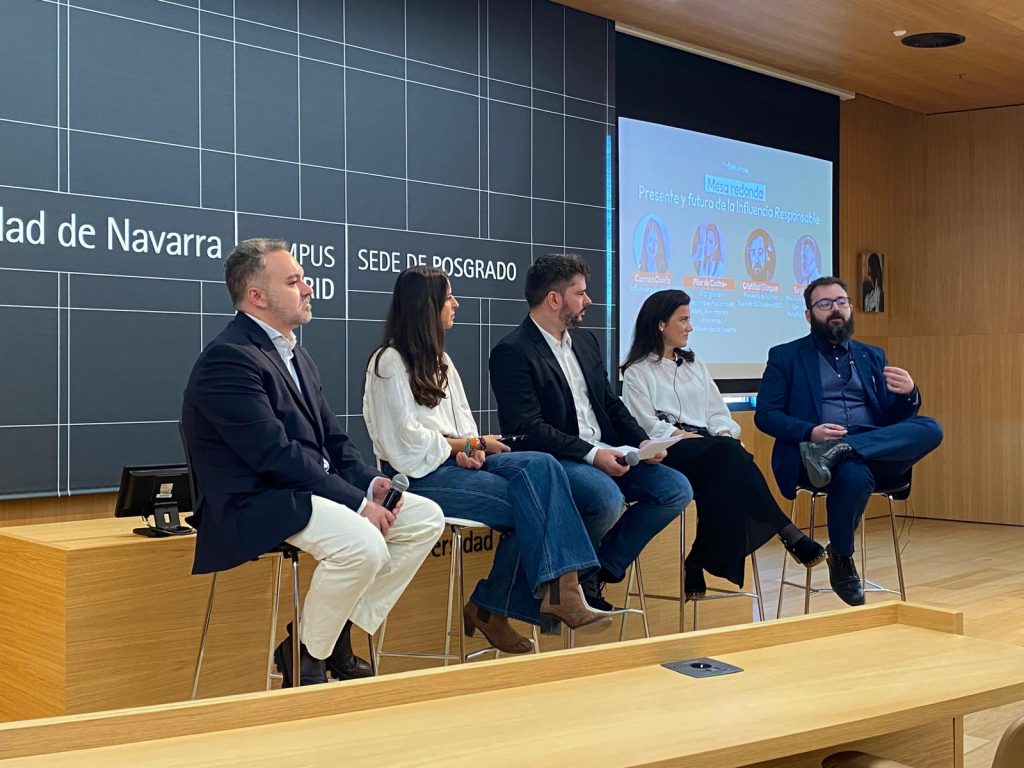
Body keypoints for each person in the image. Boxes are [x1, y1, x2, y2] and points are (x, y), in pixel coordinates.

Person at [181, 238, 444, 686]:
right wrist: (358, 504)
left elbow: (334, 442)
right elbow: (275, 455)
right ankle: (306, 662)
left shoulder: (296, 353)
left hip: (299, 489)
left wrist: (371, 484)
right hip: (255, 500)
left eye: (303, 278)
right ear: (256, 296)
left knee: (424, 518)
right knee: (364, 544)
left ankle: (323, 636)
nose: (308, 288)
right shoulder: (229, 358)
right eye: (294, 281)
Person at [363, 267, 612, 652]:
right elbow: (404, 443)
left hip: (453, 464)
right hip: (418, 478)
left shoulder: (442, 360)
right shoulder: (388, 362)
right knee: (535, 506)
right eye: (448, 297)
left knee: (541, 465)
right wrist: (467, 444)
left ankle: (549, 594)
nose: (455, 304)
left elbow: (464, 424)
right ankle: (527, 599)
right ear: (426, 305)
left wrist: (472, 449)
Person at [489, 253, 693, 611]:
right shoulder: (513, 351)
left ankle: (594, 570)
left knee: (675, 489)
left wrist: (642, 441)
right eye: (580, 293)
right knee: (605, 499)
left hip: (608, 450)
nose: (589, 300)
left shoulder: (586, 342)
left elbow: (610, 403)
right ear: (555, 299)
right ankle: (561, 583)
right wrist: (592, 454)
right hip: (558, 459)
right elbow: (528, 429)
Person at [620, 289, 826, 598]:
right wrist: (693, 438)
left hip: (711, 448)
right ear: (661, 324)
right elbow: (646, 425)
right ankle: (785, 530)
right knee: (728, 458)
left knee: (725, 462)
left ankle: (697, 560)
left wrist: (724, 435)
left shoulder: (694, 363)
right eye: (683, 320)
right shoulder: (637, 372)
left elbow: (717, 411)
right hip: (671, 450)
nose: (690, 327)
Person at [754, 276, 943, 606]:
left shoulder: (872, 355)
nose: (835, 310)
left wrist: (909, 393)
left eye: (841, 302)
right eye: (825, 304)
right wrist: (810, 432)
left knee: (931, 427)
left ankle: (848, 451)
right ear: (809, 315)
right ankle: (841, 557)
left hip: (870, 444)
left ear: (851, 308)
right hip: (815, 453)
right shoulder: (786, 356)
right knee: (854, 473)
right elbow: (766, 415)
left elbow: (893, 418)